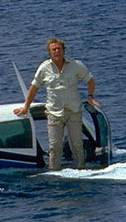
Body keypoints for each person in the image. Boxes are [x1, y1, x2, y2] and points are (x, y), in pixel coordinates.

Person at [16, 38, 97, 170]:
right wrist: (26, 106)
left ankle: (80, 169)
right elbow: (34, 87)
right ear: (49, 52)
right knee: (54, 147)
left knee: (77, 144)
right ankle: (54, 172)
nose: (57, 51)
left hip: (73, 111)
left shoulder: (76, 65)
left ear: (63, 50)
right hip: (54, 113)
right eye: (54, 49)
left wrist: (90, 96)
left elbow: (90, 80)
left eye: (59, 49)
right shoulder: (44, 68)